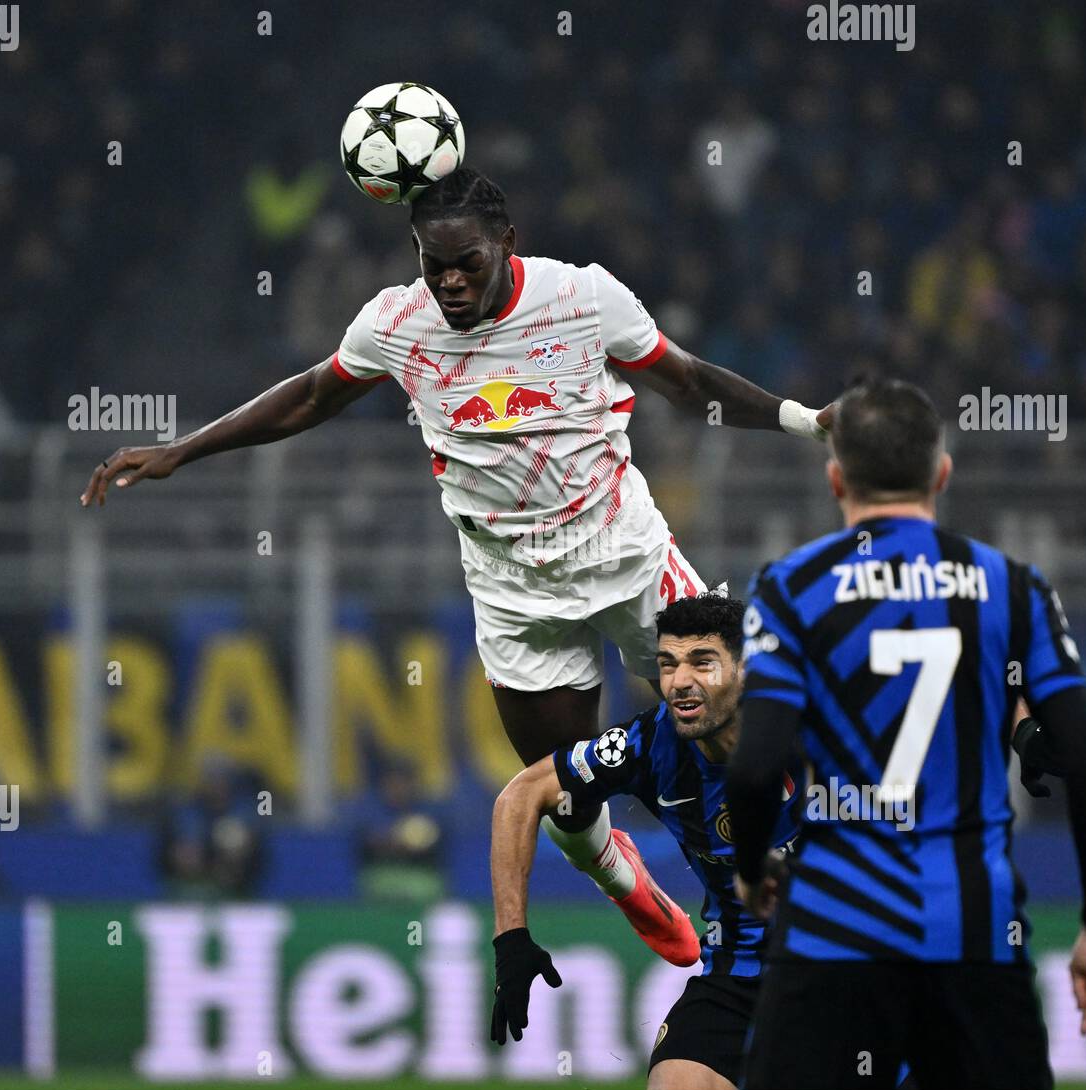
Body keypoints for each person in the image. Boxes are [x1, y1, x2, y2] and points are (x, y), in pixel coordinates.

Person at [79, 166, 834, 960]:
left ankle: (806, 877)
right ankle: (623, 878)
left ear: (507, 242)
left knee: (744, 715)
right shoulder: (397, 322)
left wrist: (806, 420)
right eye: (431, 263)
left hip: (627, 555)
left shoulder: (582, 298)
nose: (448, 280)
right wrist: (184, 449)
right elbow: (308, 396)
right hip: (513, 594)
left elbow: (687, 382)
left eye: (466, 261)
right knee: (567, 807)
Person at [726, 376, 1086, 1090]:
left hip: (831, 933)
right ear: (942, 473)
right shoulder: (1013, 586)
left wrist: (753, 867)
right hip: (973, 934)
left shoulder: (790, 587)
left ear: (834, 478)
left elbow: (757, 766)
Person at [487, 593, 801, 1090]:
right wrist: (511, 940)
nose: (680, 682)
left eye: (702, 663)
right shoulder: (651, 744)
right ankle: (615, 868)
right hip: (739, 976)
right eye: (668, 664)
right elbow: (520, 797)